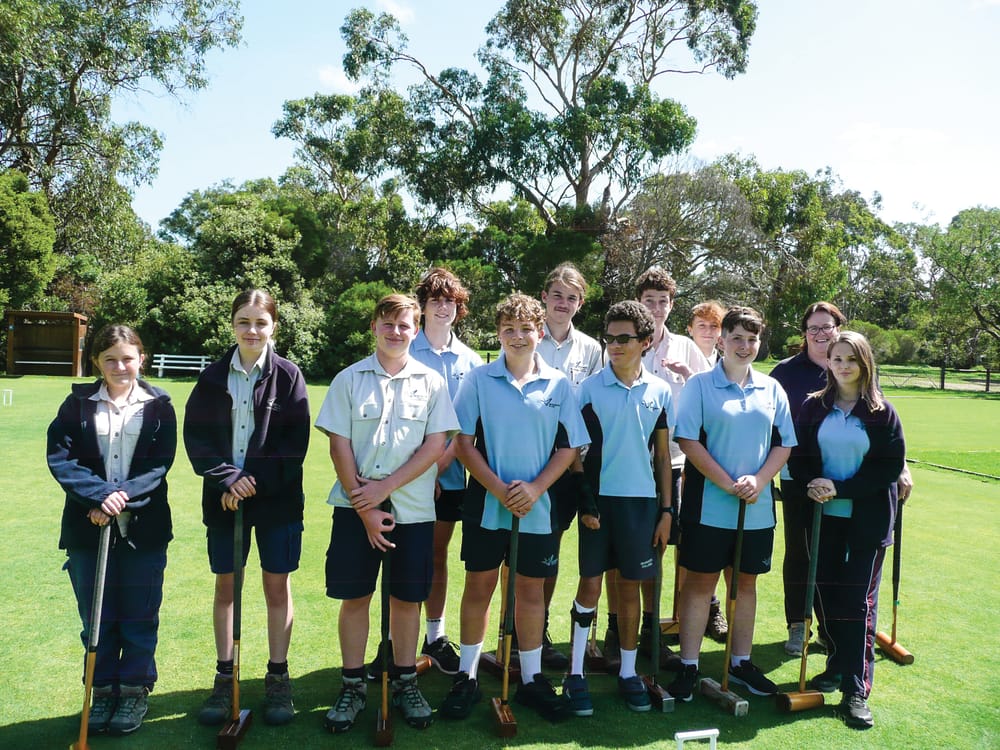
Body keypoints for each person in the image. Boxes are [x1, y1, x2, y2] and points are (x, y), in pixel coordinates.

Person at [440, 293, 590, 722]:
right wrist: (500, 490)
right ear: (499, 334)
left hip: (538, 508)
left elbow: (568, 447)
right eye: (509, 329)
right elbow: (463, 444)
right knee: (480, 588)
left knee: (528, 593)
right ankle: (466, 677)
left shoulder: (559, 384)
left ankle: (530, 679)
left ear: (539, 333)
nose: (518, 337)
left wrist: (537, 488)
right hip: (488, 505)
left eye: (526, 329)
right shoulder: (479, 380)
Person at [316, 293, 459, 734]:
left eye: (405, 325)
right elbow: (338, 443)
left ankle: (405, 681)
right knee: (355, 598)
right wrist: (366, 504)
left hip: (413, 512)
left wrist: (385, 489)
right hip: (355, 509)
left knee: (406, 601)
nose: (396, 332)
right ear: (374, 326)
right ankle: (352, 684)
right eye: (388, 324)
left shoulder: (432, 381)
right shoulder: (349, 378)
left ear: (415, 330)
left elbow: (436, 446)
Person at [185, 289, 310, 728]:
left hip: (275, 501)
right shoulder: (211, 377)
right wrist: (226, 478)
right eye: (244, 321)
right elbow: (197, 439)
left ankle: (278, 675)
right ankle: (226, 674)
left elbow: (293, 446)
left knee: (277, 587)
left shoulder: (290, 377)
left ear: (273, 326)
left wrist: (247, 482)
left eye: (260, 322)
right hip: (224, 500)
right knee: (227, 587)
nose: (252, 330)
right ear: (232, 324)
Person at [48, 324, 176, 736]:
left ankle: (134, 690)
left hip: (144, 529)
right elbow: (61, 458)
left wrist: (118, 499)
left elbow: (158, 465)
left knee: (140, 616)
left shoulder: (160, 405)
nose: (120, 366)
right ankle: (102, 691)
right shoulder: (77, 403)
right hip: (89, 528)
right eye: (110, 360)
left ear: (142, 358)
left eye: (127, 358)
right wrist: (98, 497)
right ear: (96, 364)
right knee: (97, 617)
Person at [770, 302, 914, 656]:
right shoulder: (786, 373)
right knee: (805, 555)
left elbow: (881, 429)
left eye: (826, 327)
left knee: (846, 572)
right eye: (812, 329)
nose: (820, 334)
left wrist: (901, 467)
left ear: (838, 329)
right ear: (805, 334)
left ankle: (836, 640)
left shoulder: (857, 368)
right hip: (803, 477)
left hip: (855, 487)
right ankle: (799, 625)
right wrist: (807, 478)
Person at [668, 306, 796, 702]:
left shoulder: (772, 389)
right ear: (721, 341)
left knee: (745, 583)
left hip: (756, 508)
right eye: (737, 338)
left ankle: (740, 662)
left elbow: (784, 443)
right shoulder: (700, 386)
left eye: (752, 339)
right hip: (708, 505)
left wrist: (759, 480)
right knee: (699, 584)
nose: (745, 346)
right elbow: (688, 440)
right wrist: (726, 482)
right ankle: (689, 665)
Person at [788, 331, 905, 730]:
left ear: (865, 363)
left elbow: (888, 468)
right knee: (828, 598)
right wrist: (812, 482)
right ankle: (837, 666)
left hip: (866, 522)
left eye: (851, 359)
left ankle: (856, 687)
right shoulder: (812, 408)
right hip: (821, 517)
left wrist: (841, 487)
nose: (842, 366)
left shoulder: (882, 412)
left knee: (857, 603)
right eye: (837, 359)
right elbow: (799, 456)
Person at [563, 301, 674, 716]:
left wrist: (667, 512)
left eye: (624, 338)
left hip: (642, 505)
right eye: (609, 338)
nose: (614, 345)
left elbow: (662, 458)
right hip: (598, 503)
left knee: (630, 588)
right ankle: (575, 673)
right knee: (591, 584)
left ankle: (629, 672)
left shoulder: (660, 391)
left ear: (645, 342)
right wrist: (585, 501)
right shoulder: (589, 388)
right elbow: (574, 450)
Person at [633, 268, 722, 665]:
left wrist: (688, 378)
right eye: (649, 300)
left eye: (663, 301)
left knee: (681, 544)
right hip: (633, 463)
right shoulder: (624, 339)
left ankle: (682, 622)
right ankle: (641, 624)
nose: (656, 308)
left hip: (678, 463)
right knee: (643, 546)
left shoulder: (688, 348)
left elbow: (710, 403)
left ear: (672, 304)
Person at [410, 268, 483, 674]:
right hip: (403, 478)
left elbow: (463, 427)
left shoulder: (471, 361)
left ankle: (434, 637)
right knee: (403, 557)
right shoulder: (404, 347)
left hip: (451, 479)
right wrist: (419, 474)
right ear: (422, 304)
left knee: (436, 557)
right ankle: (391, 642)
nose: (443, 307)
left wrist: (437, 471)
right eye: (435, 299)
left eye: (450, 301)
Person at [535, 262, 603, 669]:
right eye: (557, 295)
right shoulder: (527, 336)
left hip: (575, 466)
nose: (563, 303)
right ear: (544, 296)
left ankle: (538, 632)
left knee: (552, 553)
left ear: (580, 303)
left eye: (572, 297)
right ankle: (515, 630)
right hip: (531, 463)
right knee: (526, 552)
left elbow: (591, 409)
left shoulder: (592, 349)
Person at [687, 301, 725, 366]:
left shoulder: (729, 369)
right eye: (702, 325)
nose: (708, 331)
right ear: (690, 330)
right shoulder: (677, 361)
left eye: (714, 326)